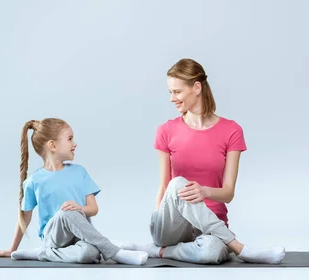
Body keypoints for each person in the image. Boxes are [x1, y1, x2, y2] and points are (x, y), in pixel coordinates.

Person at [122, 58, 286, 265]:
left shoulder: (232, 131)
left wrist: (205, 191)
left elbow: (228, 193)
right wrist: (161, 218)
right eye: (170, 92)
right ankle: (240, 248)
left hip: (211, 226)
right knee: (178, 183)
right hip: (171, 226)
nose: (172, 98)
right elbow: (164, 185)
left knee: (210, 252)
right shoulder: (166, 130)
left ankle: (161, 251)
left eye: (177, 91)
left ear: (197, 87)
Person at [0, 118, 148, 265]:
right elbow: (24, 219)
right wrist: (11, 249)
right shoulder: (34, 181)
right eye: (70, 139)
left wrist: (79, 208)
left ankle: (44, 253)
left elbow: (93, 209)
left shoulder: (79, 172)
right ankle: (116, 252)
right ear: (52, 145)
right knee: (65, 211)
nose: (74, 143)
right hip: (54, 237)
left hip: (79, 238)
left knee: (89, 254)